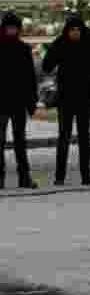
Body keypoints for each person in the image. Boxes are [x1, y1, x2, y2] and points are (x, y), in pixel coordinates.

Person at [42, 13, 90, 187]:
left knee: (84, 138)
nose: (75, 33)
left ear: (82, 31)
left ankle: (86, 176)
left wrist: (86, 74)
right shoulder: (60, 45)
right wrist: (54, 50)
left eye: (78, 30)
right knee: (64, 137)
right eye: (71, 30)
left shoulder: (89, 45)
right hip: (65, 98)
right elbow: (47, 66)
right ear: (67, 31)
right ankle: (60, 177)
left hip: (83, 96)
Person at [0, 11, 38, 190]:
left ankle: (24, 178)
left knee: (20, 143)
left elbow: (30, 78)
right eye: (8, 27)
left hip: (18, 103)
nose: (11, 31)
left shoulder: (24, 49)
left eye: (14, 28)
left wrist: (31, 102)